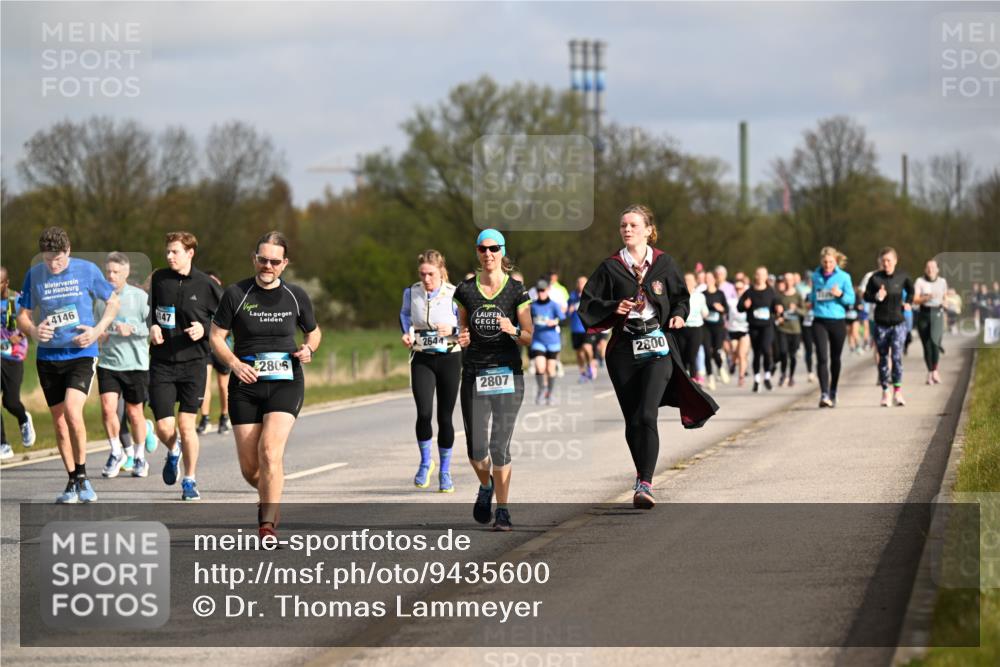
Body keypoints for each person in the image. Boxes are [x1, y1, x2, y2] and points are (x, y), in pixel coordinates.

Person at [578, 205, 718, 509]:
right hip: (624, 351)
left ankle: (646, 483)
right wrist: (614, 307)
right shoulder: (611, 266)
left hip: (657, 346)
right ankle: (641, 475)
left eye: (633, 225)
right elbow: (587, 304)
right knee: (632, 419)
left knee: (646, 414)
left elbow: (681, 298)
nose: (627, 230)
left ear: (648, 230)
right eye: (623, 226)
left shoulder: (664, 264)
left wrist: (679, 315)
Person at [211, 231, 320, 538]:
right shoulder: (236, 294)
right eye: (263, 260)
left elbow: (313, 332)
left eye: (274, 261)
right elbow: (216, 337)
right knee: (250, 468)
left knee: (270, 451)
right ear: (254, 259)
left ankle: (267, 524)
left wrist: (309, 349)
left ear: (284, 264)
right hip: (245, 384)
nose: (267, 266)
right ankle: (269, 493)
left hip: (286, 381)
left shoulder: (296, 295)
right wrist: (234, 364)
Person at [17, 227, 119, 503]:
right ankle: (72, 480)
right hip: (49, 358)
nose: (53, 265)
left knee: (73, 411)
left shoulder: (87, 270)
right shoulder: (34, 275)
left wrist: (97, 331)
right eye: (48, 259)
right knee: (60, 423)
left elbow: (113, 303)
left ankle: (84, 477)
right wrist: (34, 330)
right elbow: (23, 315)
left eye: (59, 259)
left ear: (68, 251)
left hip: (81, 353)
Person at [454, 229, 533, 531]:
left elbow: (528, 336)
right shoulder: (465, 290)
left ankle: (503, 510)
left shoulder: (516, 290)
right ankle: (486, 486)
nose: (488, 254)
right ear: (477, 252)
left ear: (502, 251)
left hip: (508, 374)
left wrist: (512, 329)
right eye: (482, 249)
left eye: (494, 248)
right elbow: (462, 327)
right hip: (474, 373)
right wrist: (461, 337)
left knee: (499, 447)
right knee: (476, 451)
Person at [148, 232, 222, 500]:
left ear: (190, 253)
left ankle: (189, 480)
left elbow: (226, 319)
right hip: (162, 363)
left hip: (194, 363)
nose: (169, 256)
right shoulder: (159, 279)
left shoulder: (206, 284)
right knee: (164, 427)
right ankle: (173, 449)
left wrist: (205, 329)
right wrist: (152, 326)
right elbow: (148, 311)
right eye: (167, 251)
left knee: (186, 424)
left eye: (175, 252)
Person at [399, 249, 461, 492]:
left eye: (430, 274)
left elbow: (466, 324)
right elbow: (405, 315)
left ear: (441, 271)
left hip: (449, 358)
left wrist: (453, 329)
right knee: (424, 413)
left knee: (445, 417)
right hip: (422, 358)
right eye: (422, 274)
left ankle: (445, 471)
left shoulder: (454, 293)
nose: (426, 279)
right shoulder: (411, 292)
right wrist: (406, 333)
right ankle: (426, 463)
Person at [96, 253, 153, 478]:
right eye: (108, 271)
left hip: (135, 364)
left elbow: (153, 328)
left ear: (126, 273)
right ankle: (116, 452)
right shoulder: (100, 299)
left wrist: (133, 328)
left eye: (116, 272)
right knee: (108, 409)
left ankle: (139, 457)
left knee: (134, 412)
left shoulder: (140, 297)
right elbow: (97, 327)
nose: (111, 276)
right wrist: (99, 335)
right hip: (108, 363)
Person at [864, 247, 914, 407]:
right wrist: (876, 296)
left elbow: (911, 290)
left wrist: (908, 302)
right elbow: (866, 296)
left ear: (895, 261)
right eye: (883, 261)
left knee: (897, 357)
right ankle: (886, 391)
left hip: (898, 323)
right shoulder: (875, 278)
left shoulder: (903, 276)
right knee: (883, 358)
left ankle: (898, 392)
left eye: (889, 260)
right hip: (881, 324)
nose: (886, 264)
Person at [809, 247, 855, 408]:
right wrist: (810, 298)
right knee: (822, 357)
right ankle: (824, 394)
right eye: (825, 262)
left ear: (836, 261)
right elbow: (813, 295)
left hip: (837, 320)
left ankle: (833, 389)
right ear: (821, 261)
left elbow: (851, 299)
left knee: (835, 358)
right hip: (819, 320)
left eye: (830, 262)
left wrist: (839, 294)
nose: (827, 265)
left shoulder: (844, 277)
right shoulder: (815, 276)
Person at [1, 266, 35, 460]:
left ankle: (23, 419)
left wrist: (20, 335)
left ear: (6, 283)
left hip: (13, 356)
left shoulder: (17, 299)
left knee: (10, 402)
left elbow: (32, 321)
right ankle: (3, 444)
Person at [197, 271, 232, 436]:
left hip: (223, 346)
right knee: (204, 383)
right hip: (204, 347)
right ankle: (205, 419)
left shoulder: (225, 300)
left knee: (223, 385)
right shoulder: (199, 300)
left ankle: (225, 417)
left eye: (214, 282)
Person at [738, 266, 782, 392]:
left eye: (763, 274)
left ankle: (767, 376)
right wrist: (745, 305)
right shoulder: (749, 292)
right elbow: (739, 307)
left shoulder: (771, 291)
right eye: (758, 274)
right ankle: (757, 380)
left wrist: (779, 309)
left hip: (767, 326)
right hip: (754, 326)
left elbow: (777, 306)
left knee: (766, 349)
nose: (760, 277)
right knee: (757, 353)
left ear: (766, 276)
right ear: (755, 276)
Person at [529, 279, 565, 404]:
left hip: (553, 341)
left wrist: (555, 321)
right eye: (539, 291)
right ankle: (541, 389)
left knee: (550, 369)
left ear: (547, 290)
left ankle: (550, 393)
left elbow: (563, 319)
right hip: (538, 341)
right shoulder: (533, 305)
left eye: (543, 290)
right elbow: (527, 320)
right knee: (540, 367)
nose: (541, 293)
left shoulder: (554, 305)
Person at [914, 259, 948, 385]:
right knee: (926, 345)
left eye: (933, 267)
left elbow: (945, 297)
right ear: (925, 269)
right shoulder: (920, 281)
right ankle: (930, 372)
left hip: (937, 313)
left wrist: (945, 303)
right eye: (928, 267)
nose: (930, 270)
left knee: (935, 343)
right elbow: (915, 300)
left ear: (937, 269)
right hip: (923, 314)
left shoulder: (942, 282)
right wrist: (927, 297)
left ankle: (935, 371)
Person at [678, 272, 709, 384]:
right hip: (682, 329)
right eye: (686, 280)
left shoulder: (700, 296)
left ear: (695, 282)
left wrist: (705, 314)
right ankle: (685, 380)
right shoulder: (679, 296)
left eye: (691, 280)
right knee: (682, 355)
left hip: (696, 329)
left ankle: (693, 380)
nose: (688, 282)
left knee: (692, 355)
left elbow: (705, 312)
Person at [567, 276, 599, 382]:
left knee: (587, 347)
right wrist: (569, 310)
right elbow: (567, 313)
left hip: (587, 327)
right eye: (579, 282)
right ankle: (582, 373)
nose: (580, 285)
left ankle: (590, 365)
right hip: (575, 329)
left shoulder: (591, 295)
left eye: (583, 283)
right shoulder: (572, 296)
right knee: (579, 353)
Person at [776, 275, 805, 387]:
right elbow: (774, 311)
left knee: (792, 355)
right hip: (783, 328)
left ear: (793, 282)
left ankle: (791, 376)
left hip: (795, 330)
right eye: (786, 280)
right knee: (783, 352)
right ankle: (783, 374)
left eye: (790, 280)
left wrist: (796, 309)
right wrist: (778, 315)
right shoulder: (780, 296)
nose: (788, 282)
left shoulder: (797, 295)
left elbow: (804, 312)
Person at [703, 271, 730, 386]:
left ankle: (720, 367)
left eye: (710, 278)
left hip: (718, 327)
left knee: (716, 352)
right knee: (707, 353)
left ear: (714, 279)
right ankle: (710, 378)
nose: (708, 280)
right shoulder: (702, 294)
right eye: (706, 278)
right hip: (706, 327)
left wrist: (721, 308)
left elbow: (726, 309)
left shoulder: (720, 294)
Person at [726, 275, 751, 387]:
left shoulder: (748, 300)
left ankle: (741, 377)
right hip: (733, 330)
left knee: (742, 354)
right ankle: (732, 363)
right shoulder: (730, 301)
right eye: (736, 288)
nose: (738, 290)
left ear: (744, 289)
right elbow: (726, 313)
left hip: (745, 330)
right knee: (735, 352)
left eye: (740, 288)